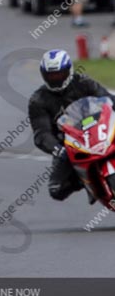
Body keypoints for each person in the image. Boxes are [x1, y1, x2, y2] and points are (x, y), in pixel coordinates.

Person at [28, 49, 115, 202]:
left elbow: (107, 98)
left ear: (69, 70)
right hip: (68, 144)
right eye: (51, 75)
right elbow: (41, 133)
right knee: (57, 190)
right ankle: (82, 180)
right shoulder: (38, 100)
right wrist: (57, 149)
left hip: (98, 129)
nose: (55, 79)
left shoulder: (84, 82)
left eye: (59, 74)